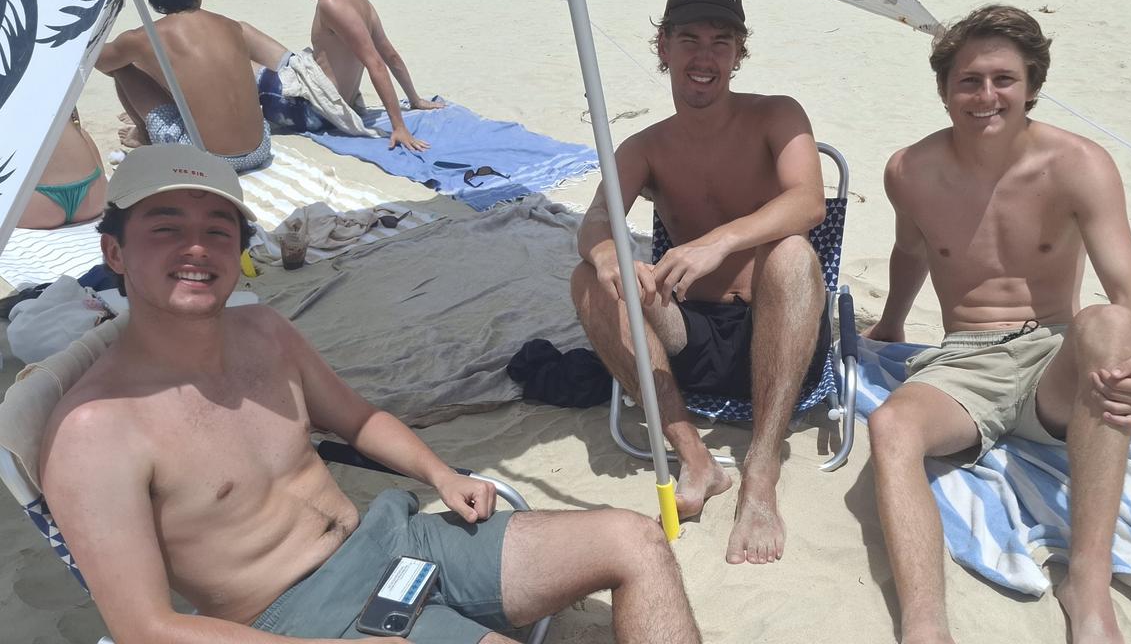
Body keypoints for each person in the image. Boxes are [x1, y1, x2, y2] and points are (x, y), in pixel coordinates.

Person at [37, 143, 702, 644]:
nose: (196, 248)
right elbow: (144, 627)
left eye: (217, 229)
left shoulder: (262, 331)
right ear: (115, 253)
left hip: (394, 540)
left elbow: (356, 419)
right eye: (165, 227)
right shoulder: (95, 432)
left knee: (635, 540)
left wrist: (440, 474)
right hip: (301, 616)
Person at [862, 5, 1131, 644]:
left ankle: (1087, 589)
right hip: (964, 360)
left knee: (1110, 323)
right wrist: (891, 325)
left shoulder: (1077, 164)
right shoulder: (909, 171)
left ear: (1032, 83)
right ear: (945, 90)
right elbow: (911, 253)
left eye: (1004, 79)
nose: (986, 96)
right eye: (968, 81)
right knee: (891, 425)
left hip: (1053, 357)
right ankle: (925, 627)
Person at [571, 0, 827, 566]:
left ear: (740, 51)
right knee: (588, 276)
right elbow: (593, 222)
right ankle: (696, 459)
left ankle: (761, 473)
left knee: (791, 252)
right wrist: (608, 250)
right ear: (663, 47)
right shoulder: (646, 147)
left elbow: (808, 201)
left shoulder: (776, 115)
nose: (704, 56)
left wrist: (720, 241)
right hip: (691, 340)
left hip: (779, 335)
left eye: (720, 40)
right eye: (689, 39)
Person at [95, 0, 275, 173]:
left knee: (123, 68)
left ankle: (143, 134)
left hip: (208, 158)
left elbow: (100, 61)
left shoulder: (144, 37)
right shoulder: (231, 26)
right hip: (260, 147)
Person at [274, 0, 443, 151]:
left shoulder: (330, 3)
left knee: (247, 60)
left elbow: (376, 64)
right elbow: (389, 54)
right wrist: (414, 99)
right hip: (337, 102)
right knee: (247, 34)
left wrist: (399, 127)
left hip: (317, 110)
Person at [17, 109, 106, 229]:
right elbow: (76, 122)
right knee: (80, 132)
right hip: (94, 193)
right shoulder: (55, 90)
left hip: (36, 204)